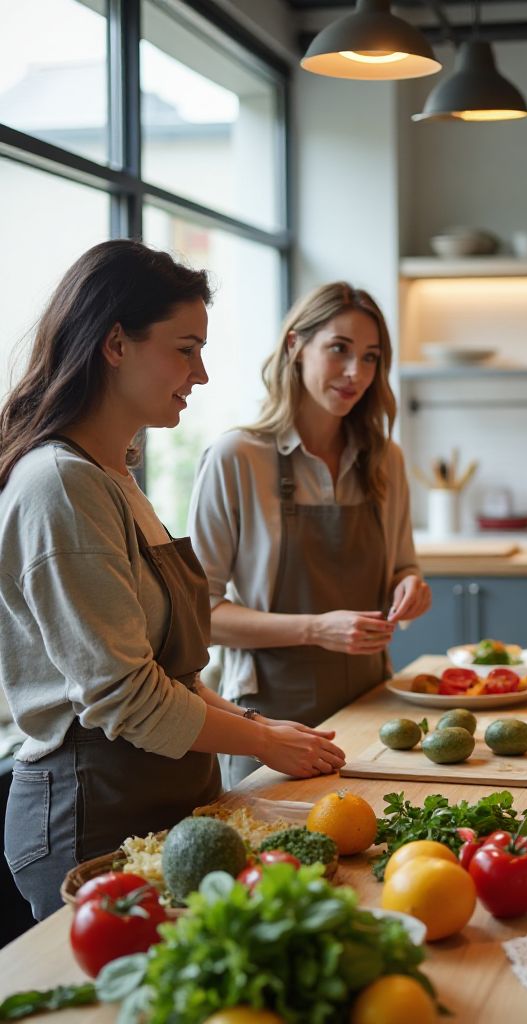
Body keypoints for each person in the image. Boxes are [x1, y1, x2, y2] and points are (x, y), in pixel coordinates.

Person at [0, 241, 346, 920]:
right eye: (186, 350)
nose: (202, 373)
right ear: (115, 344)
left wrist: (250, 720)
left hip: (153, 802)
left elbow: (164, 673)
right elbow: (125, 695)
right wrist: (264, 742)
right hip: (90, 816)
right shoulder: (61, 484)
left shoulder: (113, 475)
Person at [188, 282, 430, 787]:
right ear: (296, 345)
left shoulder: (385, 460)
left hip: (373, 708)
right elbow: (200, 617)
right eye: (339, 349)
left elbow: (403, 565)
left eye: (370, 357)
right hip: (267, 723)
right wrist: (317, 629)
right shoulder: (236, 458)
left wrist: (410, 585)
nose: (356, 372)